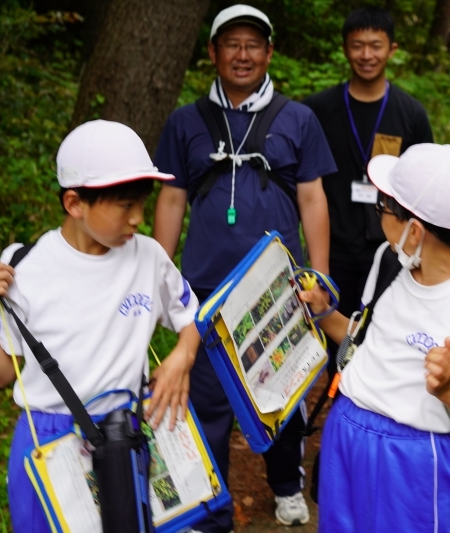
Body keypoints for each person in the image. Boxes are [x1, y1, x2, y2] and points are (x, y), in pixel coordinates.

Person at [0, 120, 201, 532]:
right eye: (124, 204)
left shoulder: (149, 258)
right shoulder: (26, 268)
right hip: (49, 438)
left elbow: (192, 318)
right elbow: (1, 372)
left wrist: (182, 356)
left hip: (127, 431)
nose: (138, 218)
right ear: (74, 203)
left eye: (141, 202)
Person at [152, 5, 336, 530]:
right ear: (212, 53)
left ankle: (285, 485)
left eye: (253, 44)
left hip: (277, 290)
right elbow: (171, 199)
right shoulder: (186, 122)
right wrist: (160, 276)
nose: (242, 54)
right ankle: (210, 502)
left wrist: (318, 280)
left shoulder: (297, 118)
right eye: (231, 44)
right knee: (206, 401)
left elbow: (313, 199)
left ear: (269, 53)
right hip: (205, 289)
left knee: (277, 395)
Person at [300, 143, 450, 532]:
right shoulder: (390, 263)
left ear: (415, 230)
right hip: (347, 434)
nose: (380, 218)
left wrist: (448, 390)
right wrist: (324, 314)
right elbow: (364, 341)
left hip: (414, 460)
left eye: (385, 209)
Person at [303, 7, 433, 333]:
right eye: (357, 45)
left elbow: (423, 192)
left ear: (392, 50)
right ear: (345, 49)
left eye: (375, 45)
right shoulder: (316, 111)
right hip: (331, 251)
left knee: (385, 335)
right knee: (329, 336)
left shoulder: (411, 114)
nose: (366, 55)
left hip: (392, 252)